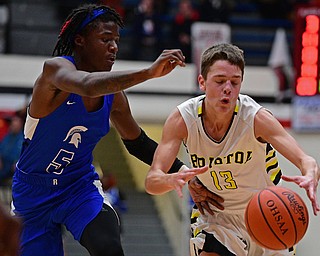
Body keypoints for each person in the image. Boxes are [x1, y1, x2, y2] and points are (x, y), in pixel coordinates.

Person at [11, 3, 187, 256]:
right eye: (105, 39)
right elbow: (87, 85)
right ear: (80, 41)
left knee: (108, 247)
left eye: (116, 40)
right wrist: (148, 73)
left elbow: (138, 142)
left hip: (78, 186)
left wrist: (184, 171)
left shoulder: (114, 96)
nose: (114, 47)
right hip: (32, 193)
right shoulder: (54, 72)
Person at [145, 43, 320, 256]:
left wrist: (310, 175)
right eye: (219, 81)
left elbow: (306, 160)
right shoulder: (183, 119)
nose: (228, 88)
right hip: (218, 218)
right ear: (202, 82)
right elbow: (152, 181)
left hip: (268, 212)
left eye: (235, 82)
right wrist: (170, 180)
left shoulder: (256, 118)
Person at [0, 115, 24, 186]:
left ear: (20, 125)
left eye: (15, 125)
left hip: (12, 166)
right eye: (12, 125)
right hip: (3, 162)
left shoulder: (23, 139)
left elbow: (23, 155)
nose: (12, 127)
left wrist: (17, 163)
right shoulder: (7, 137)